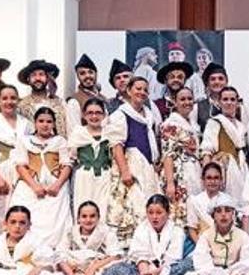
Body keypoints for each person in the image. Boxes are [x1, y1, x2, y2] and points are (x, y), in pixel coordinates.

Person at [104, 77, 162, 246]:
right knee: (133, 205)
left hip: (148, 167)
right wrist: (125, 171)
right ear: (128, 91)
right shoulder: (121, 114)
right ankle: (130, 245)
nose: (142, 92)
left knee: (148, 204)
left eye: (145, 89)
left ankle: (148, 244)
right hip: (132, 165)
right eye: (138, 88)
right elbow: (116, 144)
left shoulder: (149, 115)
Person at [99, 195, 191, 275]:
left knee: (186, 266)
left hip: (166, 271)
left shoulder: (176, 231)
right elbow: (139, 256)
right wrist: (144, 273)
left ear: (168, 213)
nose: (154, 217)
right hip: (142, 271)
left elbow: (172, 260)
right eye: (150, 213)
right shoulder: (141, 229)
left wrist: (154, 273)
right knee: (115, 269)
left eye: (159, 213)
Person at [12, 107, 72, 248]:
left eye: (49, 121)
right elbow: (20, 166)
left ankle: (54, 250)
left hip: (55, 187)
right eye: (41, 121)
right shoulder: (25, 141)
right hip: (31, 186)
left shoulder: (60, 141)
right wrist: (34, 186)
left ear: (53, 124)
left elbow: (67, 165)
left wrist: (57, 185)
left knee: (55, 219)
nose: (45, 125)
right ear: (35, 123)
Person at [183, 195, 249, 275]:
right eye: (219, 211)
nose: (223, 215)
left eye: (227, 211)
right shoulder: (206, 236)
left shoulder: (242, 235)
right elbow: (202, 263)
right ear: (213, 216)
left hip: (233, 274)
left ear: (233, 214)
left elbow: (248, 260)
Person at [0, 84, 30, 238]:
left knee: (21, 206)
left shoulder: (26, 123)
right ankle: (0, 242)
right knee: (1, 207)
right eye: (5, 98)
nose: (9, 102)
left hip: (23, 169)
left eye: (13, 98)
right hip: (1, 168)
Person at [56, 201, 122, 275]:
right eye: (84, 216)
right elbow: (59, 253)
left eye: (92, 216)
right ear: (78, 219)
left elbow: (116, 255)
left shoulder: (106, 231)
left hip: (97, 271)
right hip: (74, 270)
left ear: (98, 218)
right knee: (55, 261)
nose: (88, 220)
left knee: (117, 264)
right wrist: (70, 274)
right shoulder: (70, 232)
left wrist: (93, 268)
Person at [161, 87, 203, 227]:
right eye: (182, 99)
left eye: (189, 99)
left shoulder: (193, 124)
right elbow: (168, 154)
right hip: (178, 173)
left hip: (194, 170)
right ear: (175, 101)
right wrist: (170, 183)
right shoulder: (170, 124)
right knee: (179, 213)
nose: (187, 102)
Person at [201, 87, 248, 200]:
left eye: (232, 99)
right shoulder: (214, 122)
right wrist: (206, 177)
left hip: (241, 167)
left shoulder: (241, 126)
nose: (229, 103)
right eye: (225, 99)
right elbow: (206, 151)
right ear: (219, 102)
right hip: (224, 170)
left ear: (237, 103)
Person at [67, 98, 112, 217]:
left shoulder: (110, 133)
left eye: (98, 113)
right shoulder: (78, 133)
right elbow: (72, 156)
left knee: (104, 209)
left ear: (104, 115)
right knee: (83, 207)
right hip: (84, 178)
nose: (94, 116)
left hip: (105, 176)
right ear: (84, 115)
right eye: (90, 113)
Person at [17, 59, 68, 137]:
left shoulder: (61, 103)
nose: (37, 78)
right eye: (34, 75)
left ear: (48, 78)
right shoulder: (21, 106)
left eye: (41, 74)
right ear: (28, 79)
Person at [185, 163, 234, 244]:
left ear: (221, 180)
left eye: (216, 178)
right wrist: (202, 248)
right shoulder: (194, 201)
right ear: (203, 180)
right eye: (209, 178)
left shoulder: (227, 200)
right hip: (201, 244)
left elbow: (232, 228)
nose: (212, 181)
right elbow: (192, 229)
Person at [65, 54, 104, 133]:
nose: (87, 76)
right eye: (82, 73)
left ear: (96, 74)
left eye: (90, 72)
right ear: (78, 77)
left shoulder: (104, 99)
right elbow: (73, 132)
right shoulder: (74, 101)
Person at [195, 62, 233, 130]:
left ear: (226, 82)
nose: (217, 82)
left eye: (221, 79)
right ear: (207, 83)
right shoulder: (197, 107)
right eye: (213, 79)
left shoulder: (238, 107)